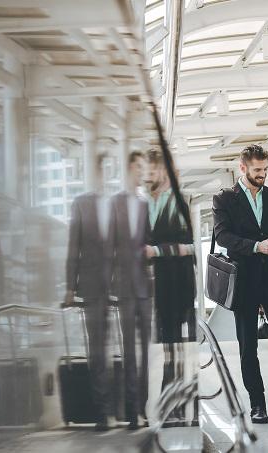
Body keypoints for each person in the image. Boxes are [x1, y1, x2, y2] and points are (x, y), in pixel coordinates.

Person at [212, 144, 268, 424]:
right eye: (257, 170)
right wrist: (257, 247)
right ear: (243, 167)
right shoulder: (224, 199)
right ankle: (257, 405)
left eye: (265, 169)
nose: (262, 174)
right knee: (248, 345)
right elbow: (224, 236)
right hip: (244, 280)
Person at [65, 153, 113, 431]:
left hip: (120, 286)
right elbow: (74, 247)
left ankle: (131, 410)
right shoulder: (80, 204)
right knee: (97, 351)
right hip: (93, 288)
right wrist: (71, 286)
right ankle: (102, 412)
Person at [145, 150, 196, 397]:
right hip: (153, 285)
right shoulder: (144, 203)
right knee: (161, 340)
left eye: (154, 170)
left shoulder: (179, 202)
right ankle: (167, 389)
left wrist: (156, 251)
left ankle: (174, 390)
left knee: (172, 339)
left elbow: (191, 246)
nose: (149, 175)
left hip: (176, 282)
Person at [107, 151, 152, 430]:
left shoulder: (145, 204)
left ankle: (142, 408)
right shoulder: (113, 204)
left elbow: (151, 242)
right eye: (137, 167)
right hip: (123, 286)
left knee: (145, 352)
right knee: (128, 351)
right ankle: (129, 410)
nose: (140, 172)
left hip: (145, 287)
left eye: (142, 167)